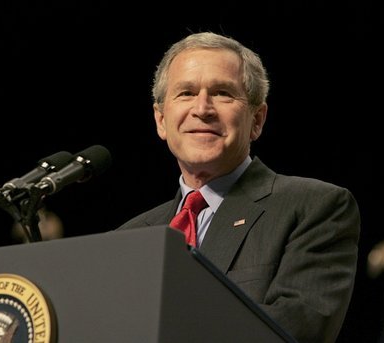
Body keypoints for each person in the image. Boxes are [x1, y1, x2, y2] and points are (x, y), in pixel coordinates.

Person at [116, 31, 360, 343]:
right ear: (161, 119)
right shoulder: (129, 237)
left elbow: (295, 330)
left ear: (257, 119)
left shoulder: (314, 207)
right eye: (186, 93)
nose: (202, 108)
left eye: (222, 93)